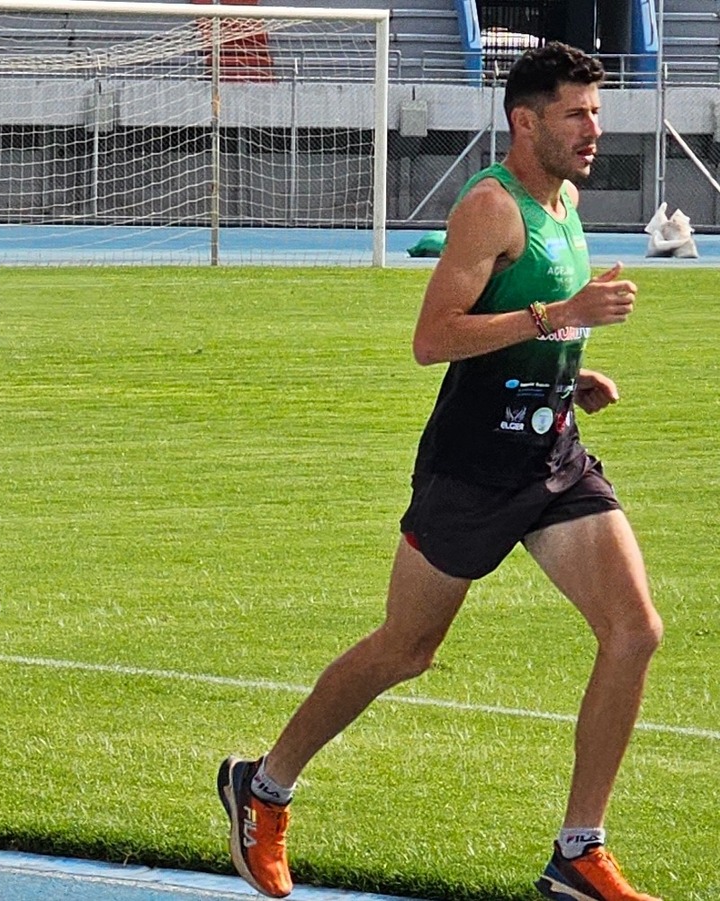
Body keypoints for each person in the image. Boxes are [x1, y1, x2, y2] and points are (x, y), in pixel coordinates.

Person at [217, 43, 662, 901]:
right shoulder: (491, 209)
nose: (594, 130)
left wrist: (570, 362)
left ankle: (578, 849)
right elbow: (435, 340)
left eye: (597, 113)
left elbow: (531, 321)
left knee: (635, 629)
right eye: (576, 113)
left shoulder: (563, 199)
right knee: (406, 648)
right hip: (473, 466)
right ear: (524, 121)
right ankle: (262, 787)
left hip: (553, 453)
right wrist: (560, 314)